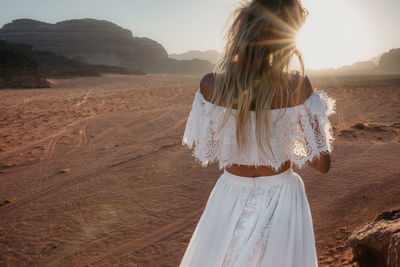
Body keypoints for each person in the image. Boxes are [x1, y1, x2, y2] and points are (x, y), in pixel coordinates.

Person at [180, 0, 336, 266]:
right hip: (282, 198)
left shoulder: (210, 85)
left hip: (229, 196)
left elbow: (213, 147)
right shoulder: (296, 85)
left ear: (240, 32)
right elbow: (321, 164)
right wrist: (292, 136)